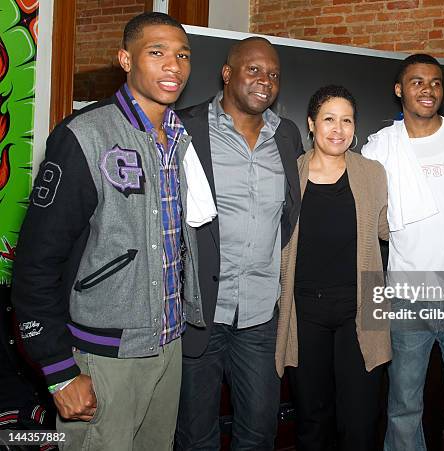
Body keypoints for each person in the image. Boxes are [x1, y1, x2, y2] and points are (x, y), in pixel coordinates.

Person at [11, 12, 202, 450]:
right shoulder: (85, 136)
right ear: (125, 59)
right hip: (102, 356)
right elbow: (36, 263)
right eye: (157, 53)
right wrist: (58, 369)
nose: (173, 65)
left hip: (166, 345)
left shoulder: (178, 138)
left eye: (182, 55)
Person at [174, 37, 303, 450]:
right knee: (195, 435)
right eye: (254, 70)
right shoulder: (184, 128)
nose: (265, 80)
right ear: (227, 74)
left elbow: (289, 216)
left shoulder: (286, 136)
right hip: (198, 311)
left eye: (273, 74)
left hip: (260, 316)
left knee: (260, 431)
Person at [362, 53, 444, 451]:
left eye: (434, 82)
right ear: (399, 90)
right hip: (407, 297)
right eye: (416, 81)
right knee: (403, 407)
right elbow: (368, 216)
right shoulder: (380, 148)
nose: (427, 89)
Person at [275, 85, 390, 450]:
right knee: (313, 418)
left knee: (361, 419)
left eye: (346, 121)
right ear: (311, 124)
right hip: (304, 310)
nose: (338, 129)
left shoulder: (373, 173)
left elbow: (389, 229)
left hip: (362, 304)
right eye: (328, 119)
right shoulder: (289, 174)